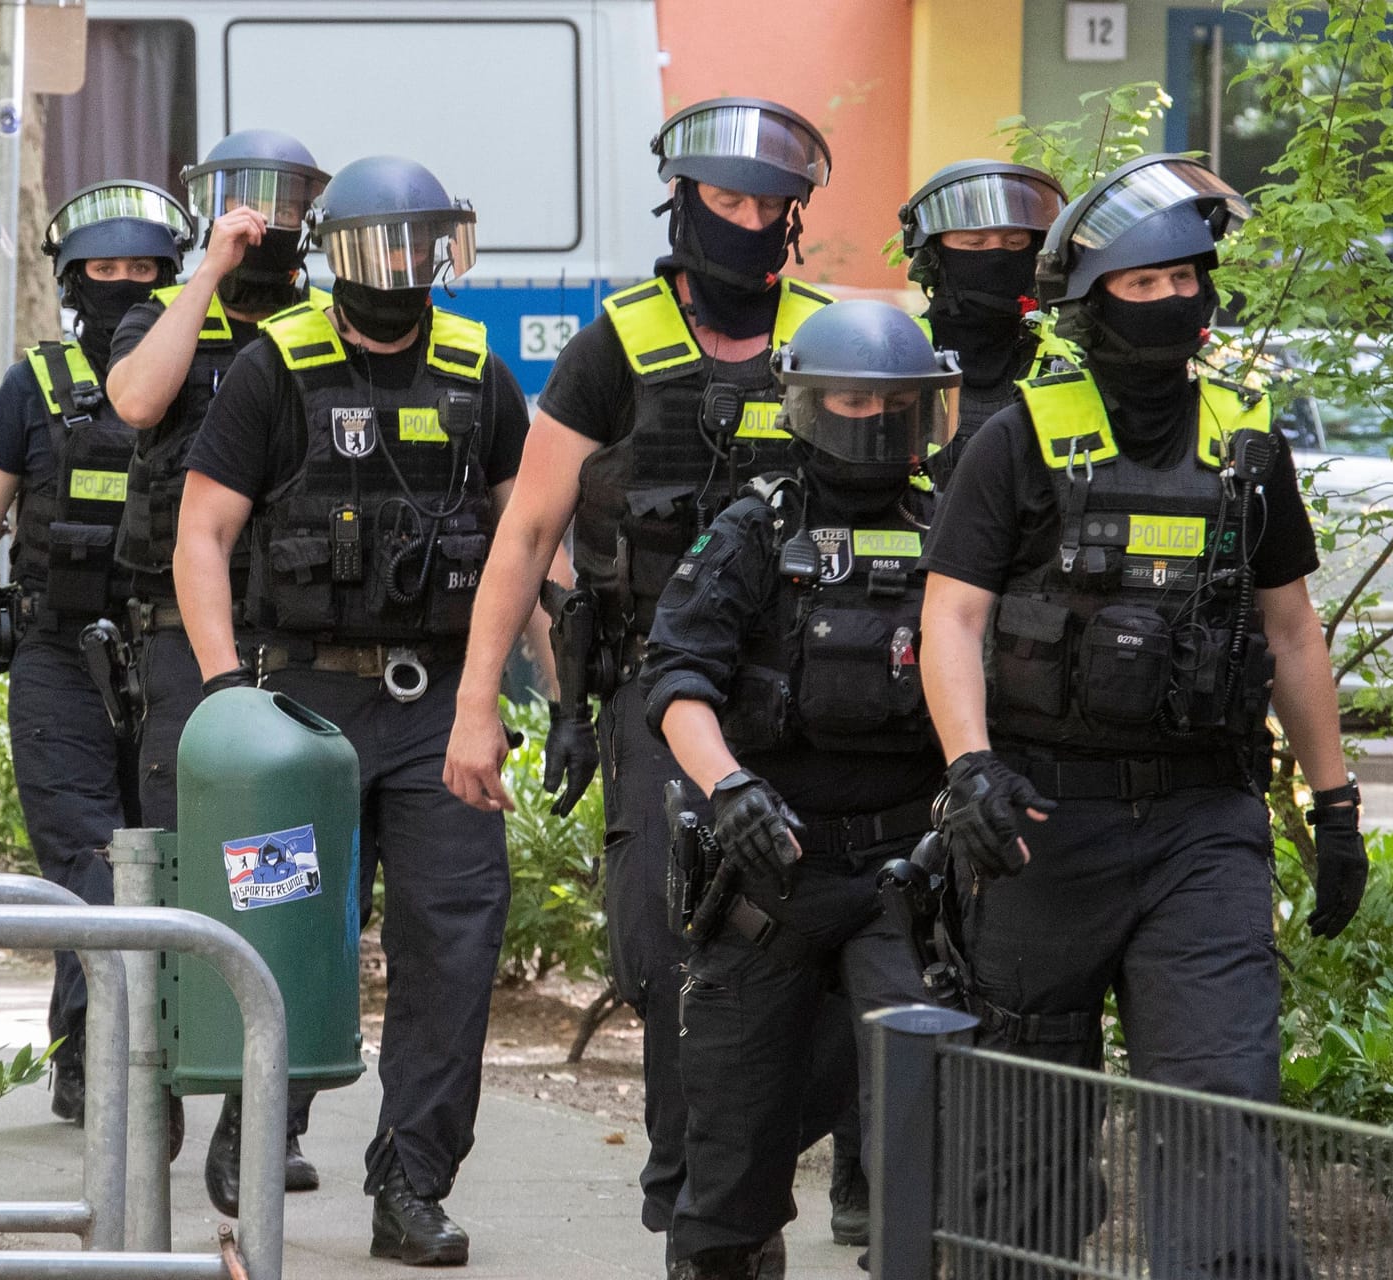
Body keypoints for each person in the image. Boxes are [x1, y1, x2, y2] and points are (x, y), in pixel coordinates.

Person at [918, 153, 1367, 1275]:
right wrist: (969, 766)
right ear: (1088, 297)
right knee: (1025, 1131)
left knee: (1222, 1099)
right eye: (1145, 282)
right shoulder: (1015, 437)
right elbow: (954, 621)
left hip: (1199, 825)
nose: (1175, 300)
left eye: (1188, 280)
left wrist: (1338, 800)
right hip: (1037, 824)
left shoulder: (1247, 442)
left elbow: (1291, 631)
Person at [441, 96, 871, 1249]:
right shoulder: (612, 348)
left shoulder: (828, 339)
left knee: (842, 950)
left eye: (765, 205)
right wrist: (480, 705)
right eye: (723, 201)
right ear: (683, 205)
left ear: (792, 220)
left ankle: (738, 1177)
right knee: (666, 947)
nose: (743, 222)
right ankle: (703, 1191)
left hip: (816, 700)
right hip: (654, 689)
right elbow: (527, 534)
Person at [175, 154, 529, 1267]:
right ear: (333, 254)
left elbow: (524, 545)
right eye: (381, 248)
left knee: (453, 944)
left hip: (441, 710)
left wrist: (541, 701)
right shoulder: (275, 367)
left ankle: (413, 1180)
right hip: (303, 708)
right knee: (281, 925)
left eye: (422, 247)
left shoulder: (480, 371)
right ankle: (260, 1107)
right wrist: (232, 693)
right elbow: (202, 535)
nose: (403, 270)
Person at [640, 299, 955, 1279]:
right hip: (768, 862)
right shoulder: (754, 527)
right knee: (731, 1136)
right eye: (852, 397)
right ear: (810, 406)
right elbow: (677, 680)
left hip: (903, 867)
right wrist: (728, 786)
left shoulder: (950, 530)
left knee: (922, 1106)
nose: (871, 417)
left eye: (892, 401)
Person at [0, 178, 194, 1125]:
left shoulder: (210, 374)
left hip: (171, 656)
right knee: (84, 859)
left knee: (167, 860)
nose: (122, 284)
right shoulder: (36, 383)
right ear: (73, 280)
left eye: (142, 269)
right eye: (103, 269)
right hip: (59, 660)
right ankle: (94, 1056)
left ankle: (137, 1052)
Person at [102, 129, 330, 1214]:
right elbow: (138, 402)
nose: (266, 215)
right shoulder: (169, 314)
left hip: (283, 633)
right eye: (245, 197)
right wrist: (209, 272)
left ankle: (259, 1113)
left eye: (287, 200)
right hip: (177, 638)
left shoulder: (325, 327)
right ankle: (163, 1081)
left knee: (279, 873)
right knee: (192, 865)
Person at [899, 160, 1073, 489]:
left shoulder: (1068, 365)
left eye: (1014, 243)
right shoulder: (896, 354)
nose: (996, 257)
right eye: (974, 244)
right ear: (935, 255)